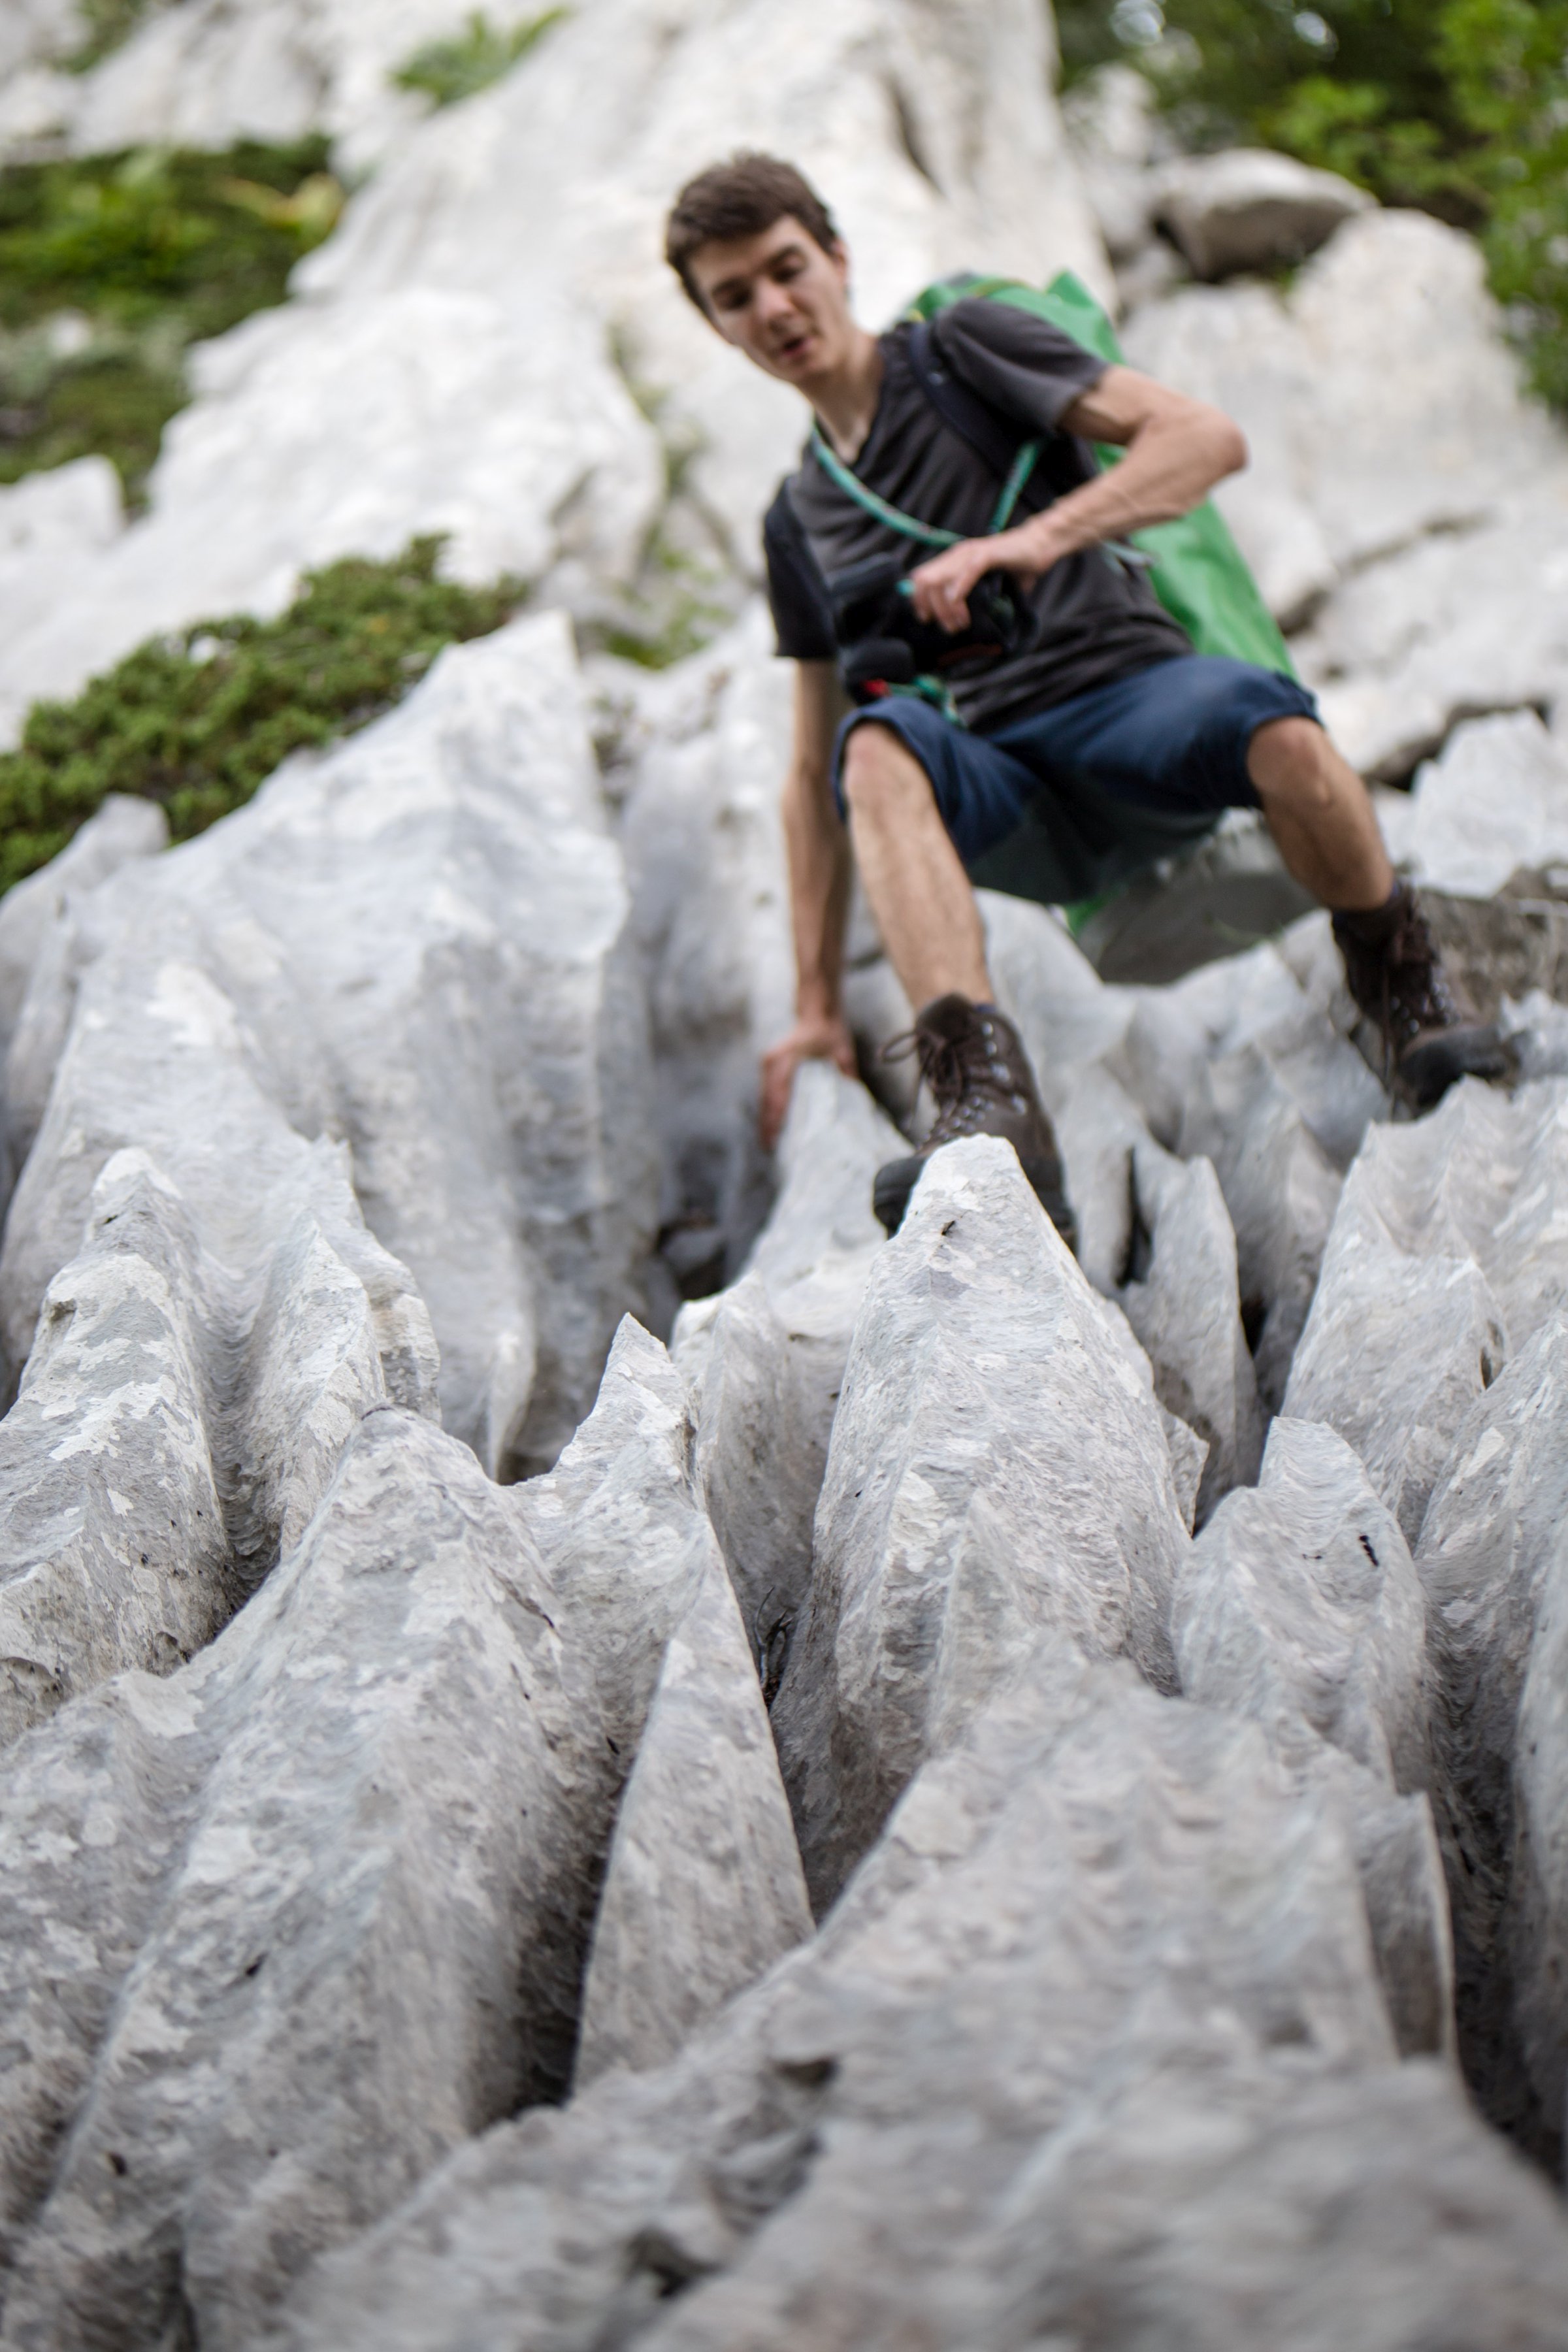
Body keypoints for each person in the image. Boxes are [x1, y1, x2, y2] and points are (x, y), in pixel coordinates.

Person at [662, 152, 1506, 1241]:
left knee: (1284, 731)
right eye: (736, 296)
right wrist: (816, 1007)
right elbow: (804, 776)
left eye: (787, 269)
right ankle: (987, 1103)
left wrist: (1034, 541)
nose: (774, 308)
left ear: (838, 257)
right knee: (869, 748)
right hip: (1007, 785)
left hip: (1138, 710)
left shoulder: (964, 350)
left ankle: (1402, 983)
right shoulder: (799, 517)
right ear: (716, 325)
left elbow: (1203, 438)